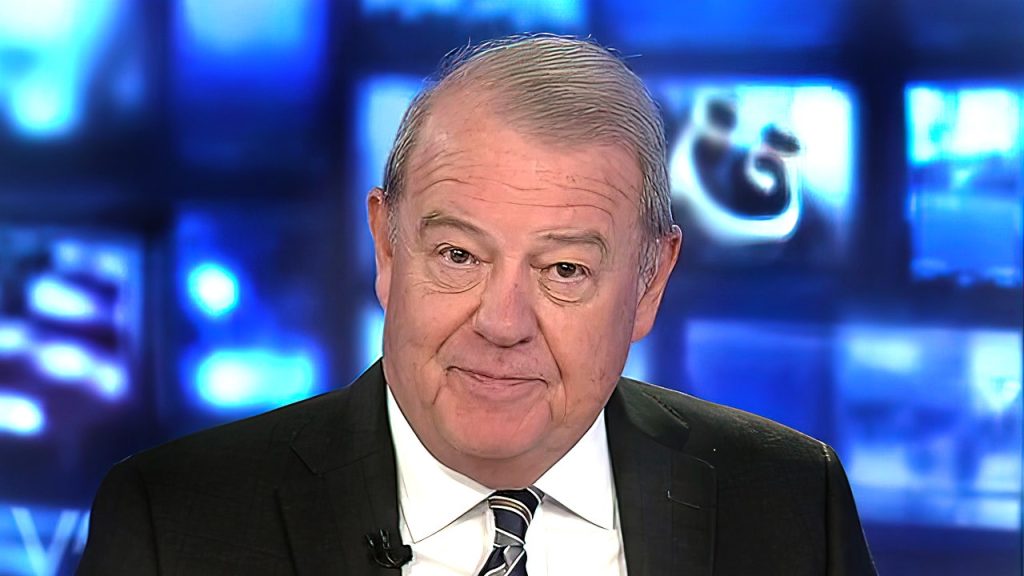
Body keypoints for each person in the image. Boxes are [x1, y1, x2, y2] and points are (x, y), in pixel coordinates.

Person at [78, 34, 876, 575]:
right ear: (387, 249)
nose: (502, 323)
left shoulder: (789, 500)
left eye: (564, 270)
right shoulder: (173, 524)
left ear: (649, 284)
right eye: (459, 256)